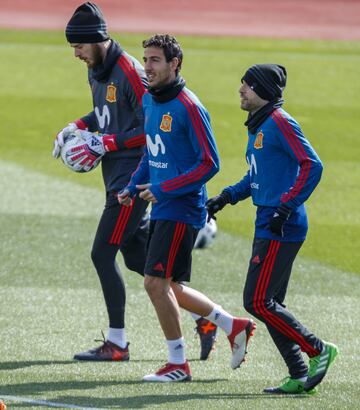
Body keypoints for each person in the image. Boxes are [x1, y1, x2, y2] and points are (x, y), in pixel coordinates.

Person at [52, 2, 217, 362]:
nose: (76, 54)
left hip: (134, 181)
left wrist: (107, 142)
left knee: (102, 253)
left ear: (97, 40)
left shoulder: (130, 71)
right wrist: (78, 127)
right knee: (139, 260)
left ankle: (117, 343)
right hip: (117, 177)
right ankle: (207, 317)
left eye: (79, 46)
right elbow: (106, 113)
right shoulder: (96, 67)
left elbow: (150, 129)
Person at [119, 34, 256, 382]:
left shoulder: (190, 106)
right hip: (165, 206)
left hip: (182, 209)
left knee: (154, 283)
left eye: (154, 60)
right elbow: (152, 154)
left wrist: (164, 189)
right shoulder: (150, 101)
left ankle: (178, 363)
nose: (146, 67)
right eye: (145, 59)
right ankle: (233, 325)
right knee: (171, 287)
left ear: (174, 64)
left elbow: (209, 163)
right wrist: (133, 187)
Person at [206, 64, 338, 393]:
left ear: (263, 91)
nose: (240, 89)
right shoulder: (260, 126)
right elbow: (257, 177)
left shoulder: (280, 122)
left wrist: (285, 206)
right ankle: (298, 373)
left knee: (258, 301)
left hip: (281, 225)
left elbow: (313, 165)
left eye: (248, 86)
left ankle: (318, 350)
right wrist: (226, 197)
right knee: (273, 303)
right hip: (268, 220)